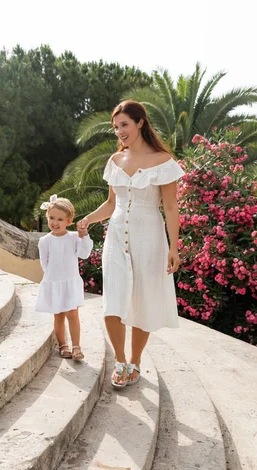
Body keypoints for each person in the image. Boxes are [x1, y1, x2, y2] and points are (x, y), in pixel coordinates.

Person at [78, 100, 184, 387]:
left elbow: (171, 208)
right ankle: (120, 360)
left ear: (140, 122)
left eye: (124, 124)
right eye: (116, 127)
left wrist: (174, 247)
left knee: (141, 303)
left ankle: (135, 362)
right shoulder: (115, 161)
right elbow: (112, 204)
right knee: (113, 300)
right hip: (115, 236)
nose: (119, 132)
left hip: (149, 237)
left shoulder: (163, 161)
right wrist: (88, 218)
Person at [36, 195, 93, 360]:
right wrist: (53, 279)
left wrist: (84, 236)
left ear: (69, 221)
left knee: (73, 314)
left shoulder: (74, 237)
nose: (55, 222)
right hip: (55, 282)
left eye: (60, 219)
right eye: (52, 218)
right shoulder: (45, 241)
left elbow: (83, 254)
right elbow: (44, 263)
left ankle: (76, 346)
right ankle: (63, 345)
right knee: (58, 315)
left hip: (70, 281)